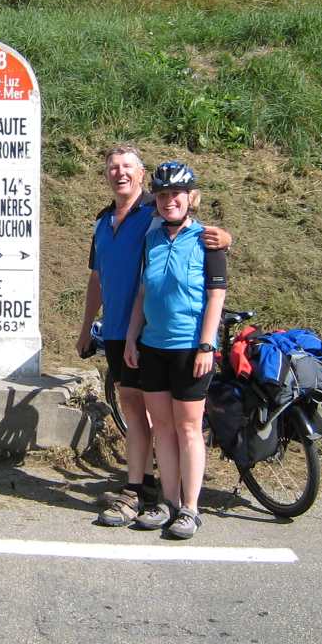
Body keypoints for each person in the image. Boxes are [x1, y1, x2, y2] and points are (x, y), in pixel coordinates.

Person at [77, 146, 231, 528]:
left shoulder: (153, 214)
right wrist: (86, 328)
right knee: (135, 409)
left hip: (161, 334)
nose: (120, 173)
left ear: (142, 174)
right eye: (112, 167)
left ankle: (170, 498)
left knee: (171, 420)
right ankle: (145, 489)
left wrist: (225, 239)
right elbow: (97, 278)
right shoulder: (104, 222)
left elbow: (205, 242)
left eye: (127, 166)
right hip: (122, 330)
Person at [124, 161, 227, 540]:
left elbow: (216, 295)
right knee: (162, 427)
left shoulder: (207, 240)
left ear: (191, 198)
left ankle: (190, 508)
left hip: (189, 348)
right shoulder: (151, 239)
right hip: (153, 347)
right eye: (163, 195)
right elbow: (142, 293)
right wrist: (134, 337)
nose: (170, 201)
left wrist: (206, 344)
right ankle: (166, 501)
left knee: (188, 428)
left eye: (176, 195)